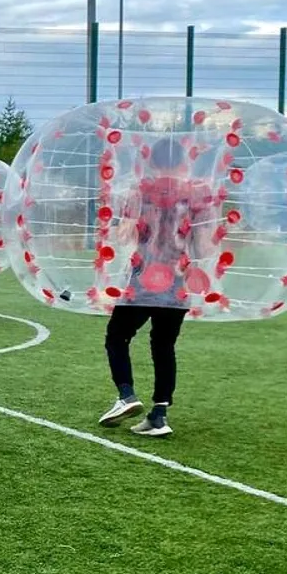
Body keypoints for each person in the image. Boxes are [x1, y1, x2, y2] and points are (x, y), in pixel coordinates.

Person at [98, 139, 219, 437]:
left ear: (152, 162)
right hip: (177, 283)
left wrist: (120, 227)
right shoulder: (198, 195)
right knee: (163, 345)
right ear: (182, 162)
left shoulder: (138, 191)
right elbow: (203, 247)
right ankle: (159, 415)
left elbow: (125, 236)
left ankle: (126, 395)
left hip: (142, 280)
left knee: (117, 337)